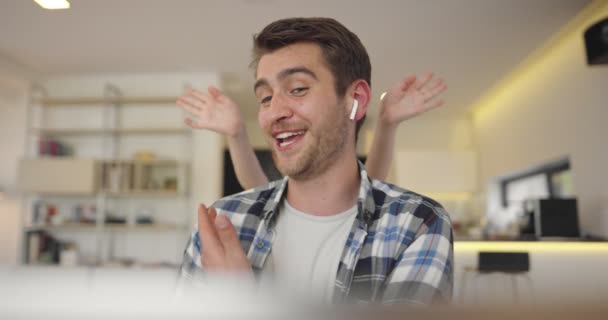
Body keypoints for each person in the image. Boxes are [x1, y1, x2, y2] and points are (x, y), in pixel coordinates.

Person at [179, 17, 453, 305]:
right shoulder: (222, 224)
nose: (273, 113)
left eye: (297, 89)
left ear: (355, 99)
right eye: (265, 97)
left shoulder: (416, 224)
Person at [177, 74, 446, 189]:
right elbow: (254, 186)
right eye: (266, 98)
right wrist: (235, 133)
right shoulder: (276, 207)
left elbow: (372, 184)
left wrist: (388, 123)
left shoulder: (369, 208)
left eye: (298, 89)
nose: (278, 111)